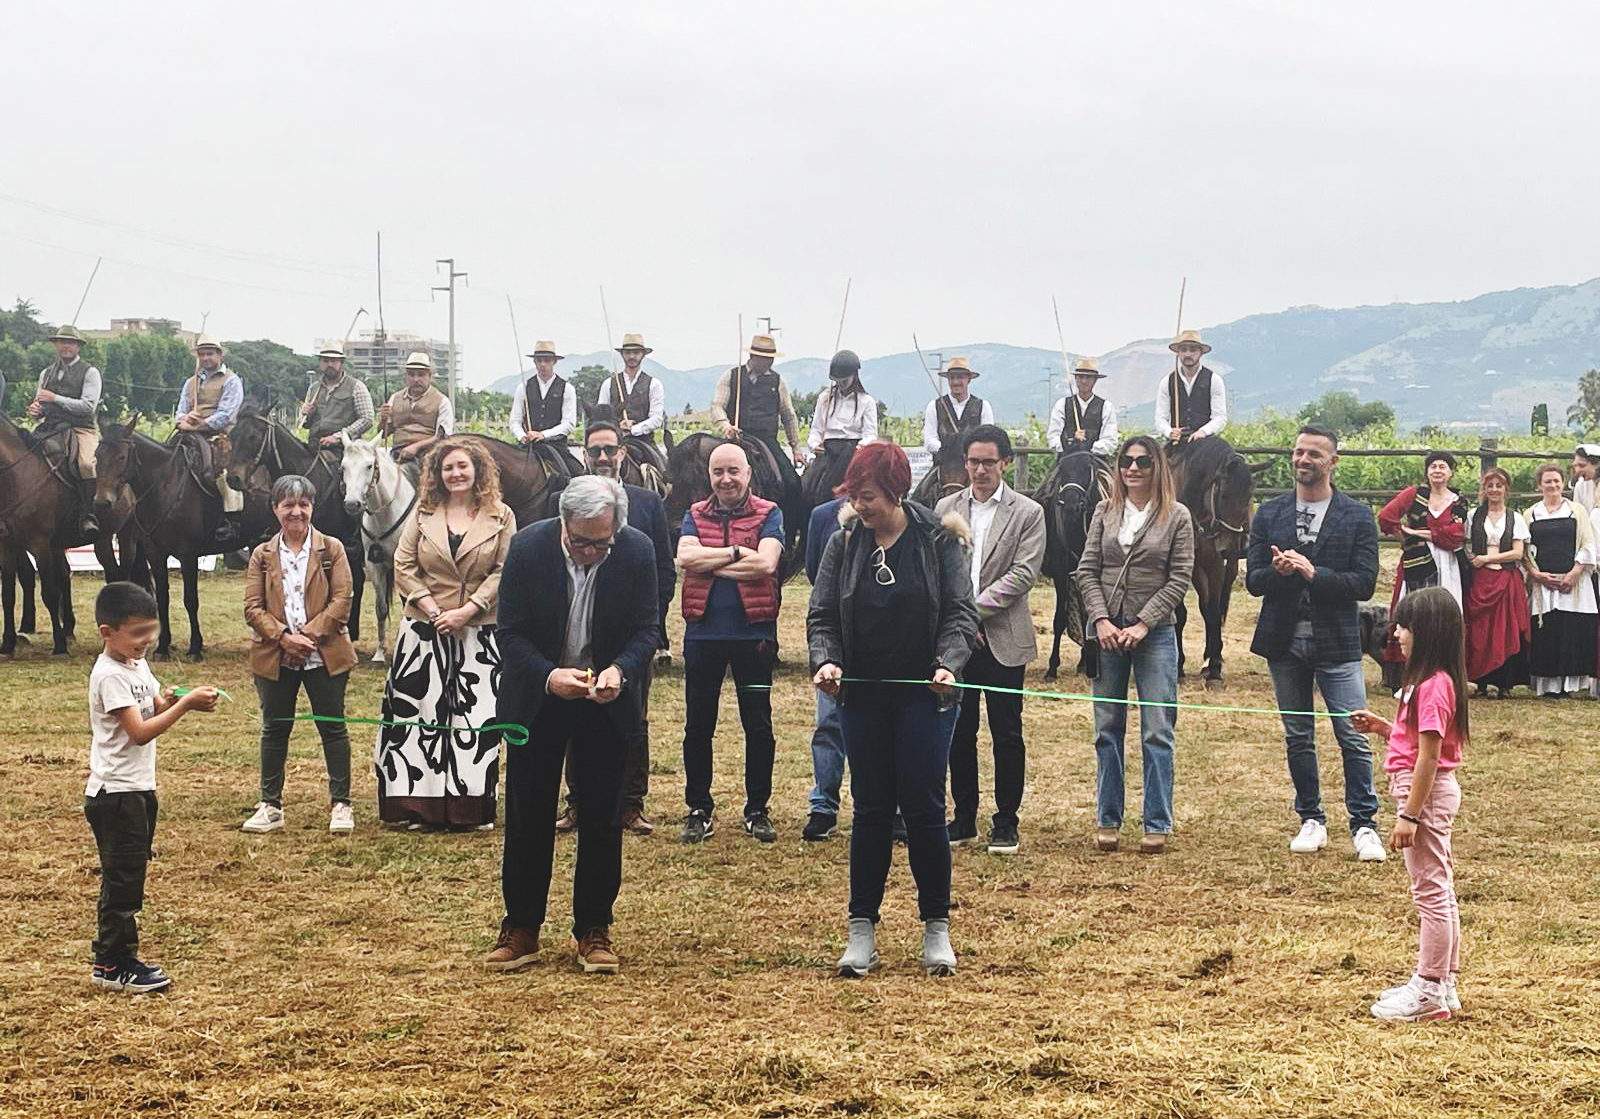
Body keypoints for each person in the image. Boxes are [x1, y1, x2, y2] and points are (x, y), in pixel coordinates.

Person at [808, 441, 978, 977]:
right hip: (863, 699)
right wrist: (828, 660)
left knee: (926, 808)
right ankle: (862, 929)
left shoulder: (938, 539)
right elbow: (822, 616)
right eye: (855, 496)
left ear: (897, 492)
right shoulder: (844, 542)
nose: (861, 506)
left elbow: (960, 613)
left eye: (870, 497)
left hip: (926, 699)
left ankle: (936, 928)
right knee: (872, 808)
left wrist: (949, 662)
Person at [485, 476, 659, 975]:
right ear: (563, 523)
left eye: (600, 544)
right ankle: (521, 927)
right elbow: (510, 632)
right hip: (540, 697)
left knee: (603, 816)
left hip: (606, 698)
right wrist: (548, 676)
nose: (588, 552)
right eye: (580, 541)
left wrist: (620, 670)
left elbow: (648, 628)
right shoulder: (526, 547)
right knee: (528, 814)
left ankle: (594, 929)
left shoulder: (636, 551)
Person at [1246, 425, 1385, 862]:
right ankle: (1311, 818)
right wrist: (1281, 572)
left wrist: (1313, 573)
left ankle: (1365, 824)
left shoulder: (1358, 515)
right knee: (1298, 737)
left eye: (1313, 454)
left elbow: (1363, 584)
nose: (1303, 460)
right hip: (1284, 642)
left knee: (1353, 734)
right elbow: (1253, 581)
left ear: (1333, 462)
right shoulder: (1269, 514)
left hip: (1339, 643)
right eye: (1298, 452)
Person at [84, 582, 218, 993]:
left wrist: (171, 698)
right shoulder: (109, 675)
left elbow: (153, 704)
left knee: (129, 873)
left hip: (139, 788)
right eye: (138, 633)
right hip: (115, 794)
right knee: (122, 881)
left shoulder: (135, 664)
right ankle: (112, 963)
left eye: (151, 631)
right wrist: (185, 706)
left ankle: (119, 957)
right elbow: (139, 733)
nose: (147, 641)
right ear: (108, 632)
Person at [547, 421, 676, 837]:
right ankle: (577, 803)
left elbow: (663, 568)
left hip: (631, 635)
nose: (602, 458)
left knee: (633, 717)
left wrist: (649, 624)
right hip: (577, 630)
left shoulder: (648, 502)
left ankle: (631, 804)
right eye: (595, 451)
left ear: (622, 453)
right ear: (585, 454)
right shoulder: (561, 502)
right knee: (571, 713)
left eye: (610, 450)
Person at [378, 439, 514, 829]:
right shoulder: (422, 514)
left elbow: (504, 570)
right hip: (424, 631)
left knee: (473, 721)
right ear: (437, 474)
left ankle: (470, 810)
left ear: (478, 471)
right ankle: (420, 808)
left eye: (462, 467)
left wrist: (469, 610)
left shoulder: (501, 516)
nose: (455, 474)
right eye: (448, 468)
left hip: (477, 634)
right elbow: (402, 565)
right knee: (421, 719)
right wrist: (435, 610)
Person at [1350, 587, 1469, 1022]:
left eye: (1404, 626)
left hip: (1426, 795)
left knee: (1430, 892)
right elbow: (1419, 741)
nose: (1395, 632)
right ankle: (1444, 983)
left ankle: (1429, 990)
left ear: (1428, 632)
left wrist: (1409, 815)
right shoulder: (1428, 683)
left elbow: (1430, 756)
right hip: (1428, 791)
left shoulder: (1433, 687)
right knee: (1440, 887)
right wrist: (1386, 728)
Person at [1074, 435, 1194, 854]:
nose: (1134, 468)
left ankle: (1157, 819)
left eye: (1143, 462)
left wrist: (1144, 623)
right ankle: (1108, 817)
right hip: (1106, 633)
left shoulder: (1177, 516)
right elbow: (1086, 570)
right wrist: (1101, 619)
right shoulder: (1104, 512)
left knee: (1157, 729)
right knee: (1107, 727)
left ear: (1157, 467)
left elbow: (1179, 577)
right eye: (1127, 460)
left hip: (1154, 634)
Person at [936, 425, 1046, 854]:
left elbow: (1023, 573)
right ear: (965, 464)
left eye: (988, 462)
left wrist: (972, 612)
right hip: (956, 642)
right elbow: (940, 571)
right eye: (973, 461)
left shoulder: (1028, 512)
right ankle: (964, 818)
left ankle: (1006, 821)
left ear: (1004, 463)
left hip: (1003, 637)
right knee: (958, 731)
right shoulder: (945, 507)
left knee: (1006, 731)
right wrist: (959, 623)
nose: (980, 470)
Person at [675, 442, 784, 844]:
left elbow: (767, 564)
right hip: (703, 636)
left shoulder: (769, 512)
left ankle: (757, 808)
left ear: (748, 473)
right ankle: (698, 808)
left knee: (758, 724)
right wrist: (738, 552)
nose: (725, 479)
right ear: (709, 475)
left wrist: (711, 560)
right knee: (697, 726)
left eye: (733, 471)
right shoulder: (693, 513)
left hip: (753, 636)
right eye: (718, 472)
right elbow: (685, 559)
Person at [241, 474, 359, 834]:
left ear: (312, 507)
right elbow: (252, 606)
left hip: (324, 654)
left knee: (332, 727)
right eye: (288, 505)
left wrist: (306, 637)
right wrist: (282, 638)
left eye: (303, 504)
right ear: (275, 509)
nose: (296, 512)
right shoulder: (261, 555)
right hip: (275, 655)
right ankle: (270, 804)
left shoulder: (333, 549)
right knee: (275, 729)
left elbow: (343, 601)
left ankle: (341, 804)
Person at [1524, 462, 1597, 696]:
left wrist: (1575, 572)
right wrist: (1536, 574)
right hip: (1542, 581)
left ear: (1563, 483)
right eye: (1548, 481)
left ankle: (1570, 685)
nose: (1553, 485)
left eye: (1556, 480)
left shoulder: (1577, 511)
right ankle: (1548, 685)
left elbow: (1588, 542)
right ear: (1539, 485)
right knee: (1547, 631)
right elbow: (1524, 549)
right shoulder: (1531, 514)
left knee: (1571, 629)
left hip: (1573, 580)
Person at [709, 333, 804, 513]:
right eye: (764, 358)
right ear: (753, 356)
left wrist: (796, 448)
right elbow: (717, 406)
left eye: (770, 358)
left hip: (767, 438)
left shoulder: (778, 381)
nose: (768, 362)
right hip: (736, 435)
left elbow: (788, 415)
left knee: (792, 482)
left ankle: (791, 529)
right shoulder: (731, 376)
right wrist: (726, 426)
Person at [802, 492, 850, 841]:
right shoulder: (827, 521)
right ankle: (823, 804)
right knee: (828, 723)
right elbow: (816, 572)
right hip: (826, 446)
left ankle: (892, 807)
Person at [173, 334, 247, 545]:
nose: (206, 358)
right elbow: (180, 410)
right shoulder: (190, 382)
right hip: (189, 434)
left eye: (210, 353)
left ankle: (231, 520)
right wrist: (183, 420)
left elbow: (226, 414)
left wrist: (199, 424)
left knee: (224, 474)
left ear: (219, 355)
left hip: (219, 435)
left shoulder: (232, 381)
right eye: (202, 354)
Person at [1463, 467, 1531, 696]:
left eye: (1499, 485)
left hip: (1505, 578)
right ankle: (1481, 680)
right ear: (1484, 489)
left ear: (1506, 490)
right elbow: (1466, 543)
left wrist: (1487, 558)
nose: (1494, 490)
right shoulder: (1474, 516)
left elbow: (1518, 552)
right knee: (1480, 630)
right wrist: (1473, 558)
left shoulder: (1516, 518)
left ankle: (1504, 682)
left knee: (1505, 630)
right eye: (1489, 485)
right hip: (1480, 579)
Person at [30, 325, 103, 534]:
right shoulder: (46, 373)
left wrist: (55, 398)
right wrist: (37, 410)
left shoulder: (90, 372)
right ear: (56, 345)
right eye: (62, 342)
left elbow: (88, 406)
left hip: (81, 428)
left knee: (87, 464)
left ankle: (88, 514)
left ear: (78, 347)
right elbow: (42, 404)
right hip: (51, 427)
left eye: (70, 342)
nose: (66, 346)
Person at [1378, 452, 1470, 614]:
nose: (1437, 470)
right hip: (1415, 559)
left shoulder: (1458, 501)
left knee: (1444, 609)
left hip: (1446, 561)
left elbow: (1454, 536)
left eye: (1442, 467)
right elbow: (1386, 516)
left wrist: (1416, 533)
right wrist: (1404, 538)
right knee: (1414, 609)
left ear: (1450, 472)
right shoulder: (1414, 494)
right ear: (1427, 472)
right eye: (1432, 467)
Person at [802, 350, 879, 506]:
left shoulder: (867, 401)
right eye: (837, 381)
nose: (840, 385)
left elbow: (870, 434)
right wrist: (815, 445)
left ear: (854, 376)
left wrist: (860, 447)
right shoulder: (825, 398)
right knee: (804, 487)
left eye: (844, 381)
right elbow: (816, 429)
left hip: (853, 450)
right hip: (828, 450)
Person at [378, 351, 454, 489]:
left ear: (429, 376)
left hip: (427, 455)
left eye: (421, 374)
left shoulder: (442, 401)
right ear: (406, 377)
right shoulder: (395, 398)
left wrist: (416, 447)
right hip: (397, 452)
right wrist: (383, 419)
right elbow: (384, 433)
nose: (416, 379)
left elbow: (443, 436)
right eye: (412, 374)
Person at [596, 333, 667, 472]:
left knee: (665, 473)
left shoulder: (654, 384)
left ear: (643, 355)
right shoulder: (608, 383)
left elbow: (657, 418)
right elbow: (601, 416)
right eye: (628, 353)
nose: (632, 357)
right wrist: (616, 426)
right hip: (613, 441)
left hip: (643, 442)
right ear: (622, 355)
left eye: (636, 352)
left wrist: (634, 429)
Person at [508, 341, 581, 478]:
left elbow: (569, 423)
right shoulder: (523, 387)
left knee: (576, 473)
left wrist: (543, 435)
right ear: (534, 362)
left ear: (554, 362)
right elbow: (515, 421)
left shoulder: (567, 389)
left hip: (555, 447)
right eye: (539, 360)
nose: (542, 364)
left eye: (547, 360)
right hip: (528, 446)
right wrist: (522, 436)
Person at [1153, 330, 1227, 445]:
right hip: (1176, 443)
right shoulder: (1167, 382)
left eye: (1193, 350)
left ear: (1201, 353)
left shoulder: (1214, 380)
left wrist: (1203, 432)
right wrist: (1169, 432)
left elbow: (1220, 417)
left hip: (1206, 443)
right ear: (1178, 353)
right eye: (1183, 350)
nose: (1188, 354)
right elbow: (1160, 418)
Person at [300, 342, 375, 454]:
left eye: (333, 360)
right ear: (320, 363)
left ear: (341, 362)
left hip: (345, 450)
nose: (329, 364)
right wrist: (305, 414)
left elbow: (367, 419)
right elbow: (305, 425)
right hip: (315, 448)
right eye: (325, 360)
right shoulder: (313, 388)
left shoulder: (356, 386)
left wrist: (339, 437)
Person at [1046, 358, 1120, 458]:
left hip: (1095, 461)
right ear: (1076, 379)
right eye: (1080, 377)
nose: (1084, 381)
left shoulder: (1106, 407)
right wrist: (1071, 442)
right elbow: (1053, 438)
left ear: (1095, 380)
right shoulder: (1062, 404)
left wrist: (1088, 445)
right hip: (1067, 460)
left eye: (1088, 377)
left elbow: (1110, 441)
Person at [922, 357, 993, 460]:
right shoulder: (934, 406)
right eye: (952, 377)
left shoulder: (983, 406)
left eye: (960, 377)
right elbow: (929, 441)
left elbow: (988, 439)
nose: (955, 382)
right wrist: (948, 448)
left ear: (968, 380)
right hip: (943, 463)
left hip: (974, 464)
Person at [1572, 444, 1600, 512]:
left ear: (1597, 464)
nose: (1577, 470)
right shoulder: (1580, 485)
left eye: (1582, 466)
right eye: (1575, 466)